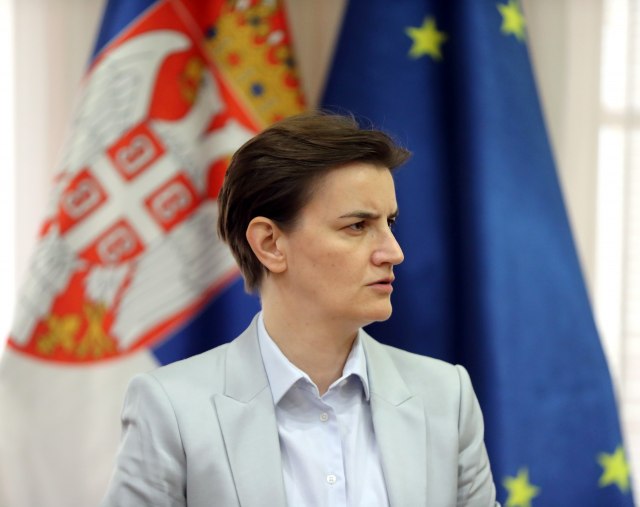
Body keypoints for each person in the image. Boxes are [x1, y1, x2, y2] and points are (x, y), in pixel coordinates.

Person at [101, 111, 498, 506]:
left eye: (389, 223)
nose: (393, 252)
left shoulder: (446, 397)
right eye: (358, 226)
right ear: (270, 244)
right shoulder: (171, 408)